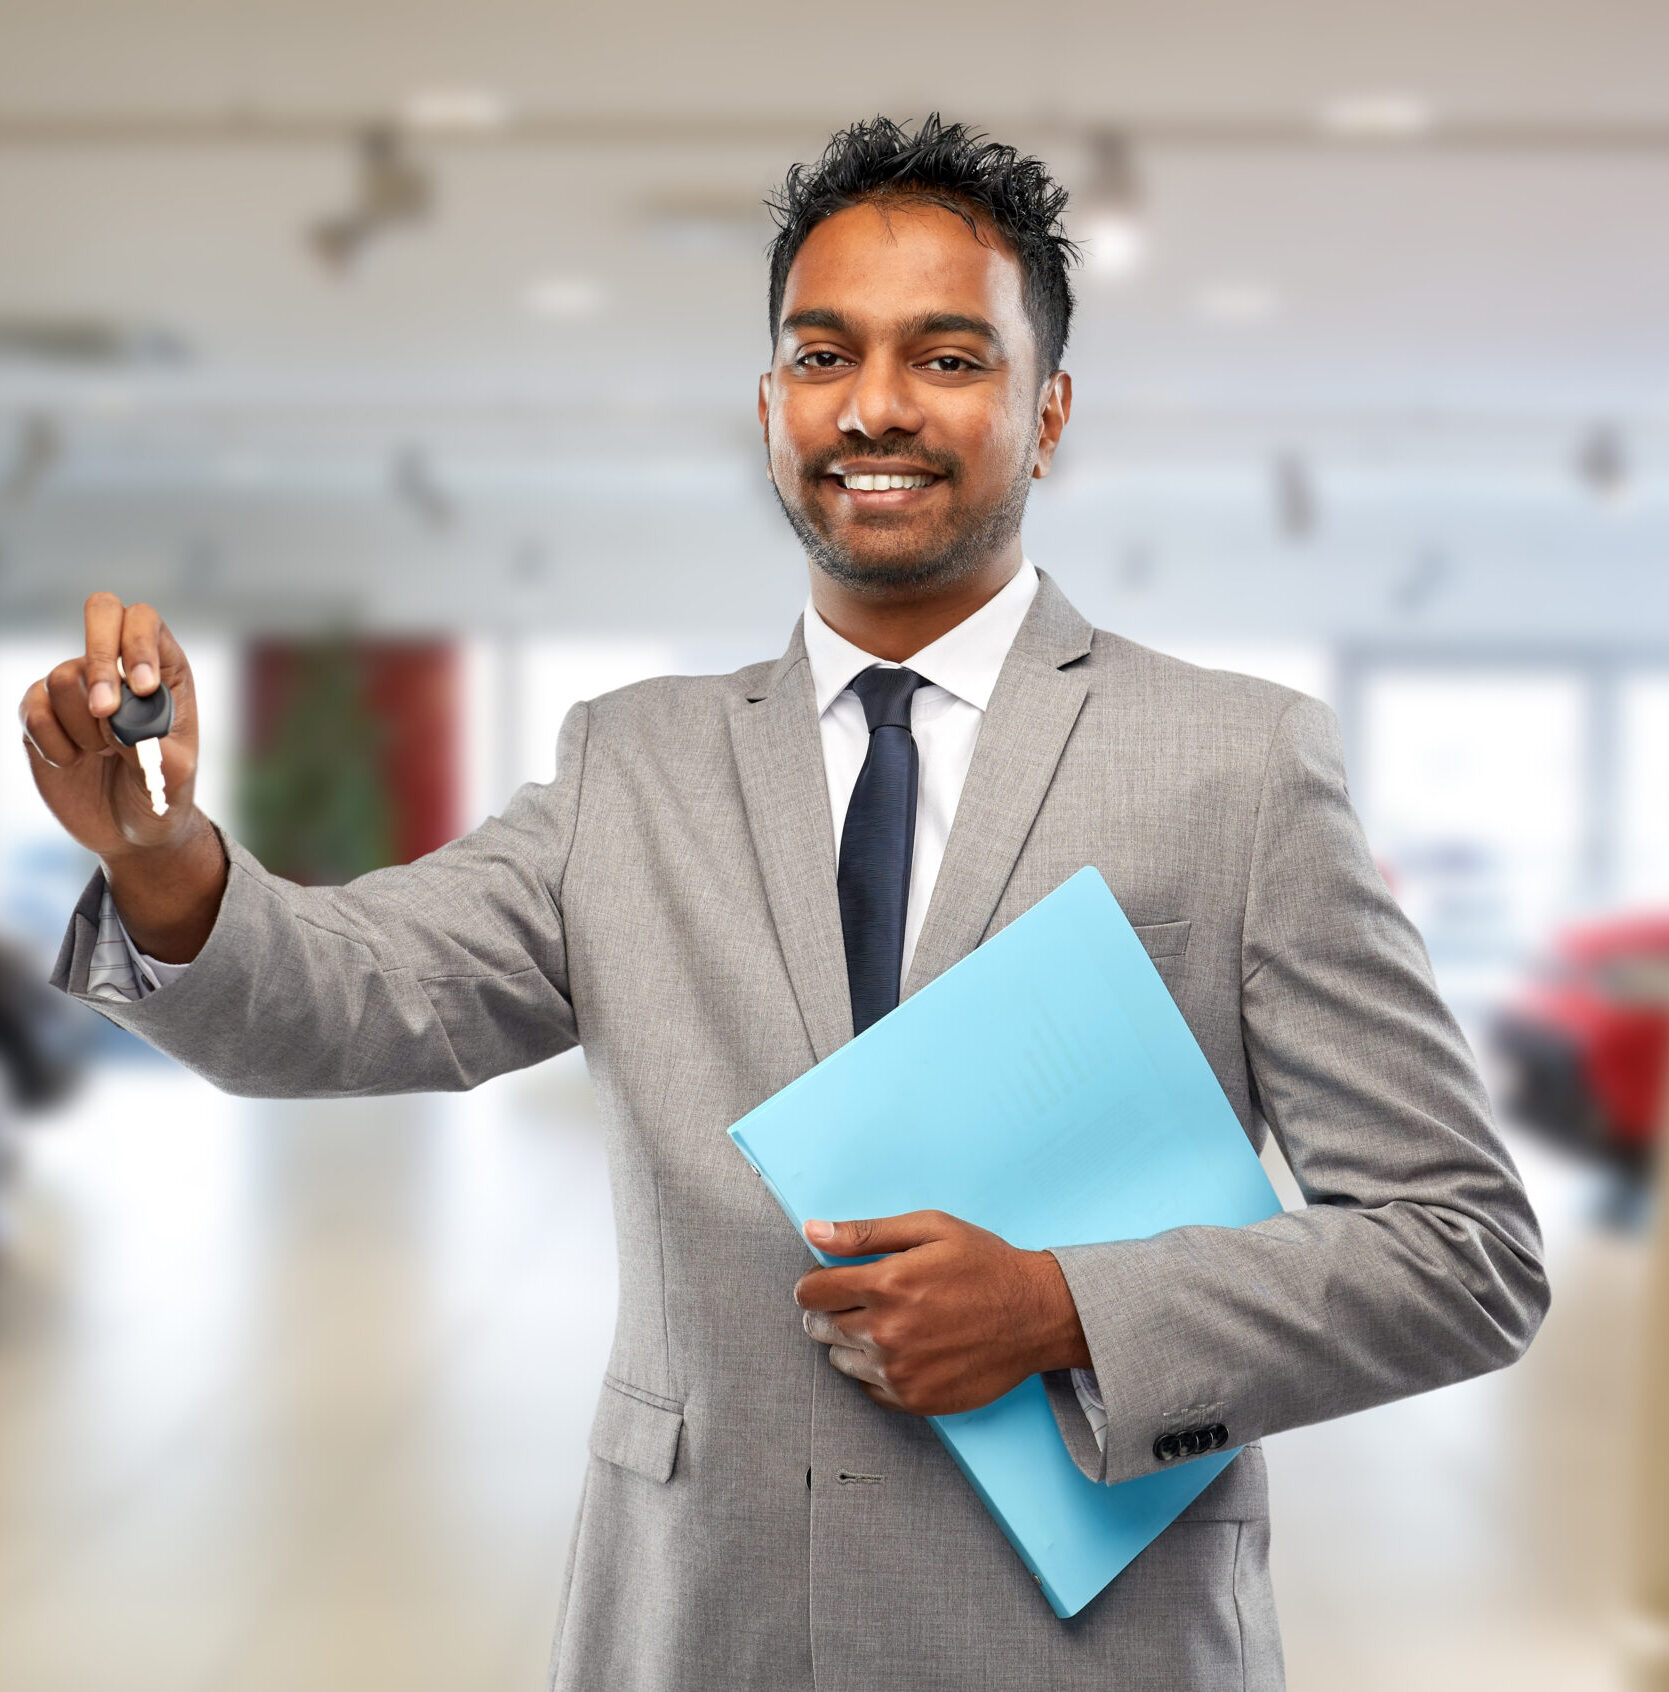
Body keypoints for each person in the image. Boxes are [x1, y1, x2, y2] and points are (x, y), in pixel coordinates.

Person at [20, 115, 1548, 1691]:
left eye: (949, 358)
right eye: (824, 354)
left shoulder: (1237, 765)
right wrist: (164, 859)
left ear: (1050, 410)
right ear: (769, 406)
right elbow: (348, 997)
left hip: (1098, 1647)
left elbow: (1462, 1250)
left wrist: (1061, 1308)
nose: (873, 404)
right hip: (706, 1627)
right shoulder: (631, 765)